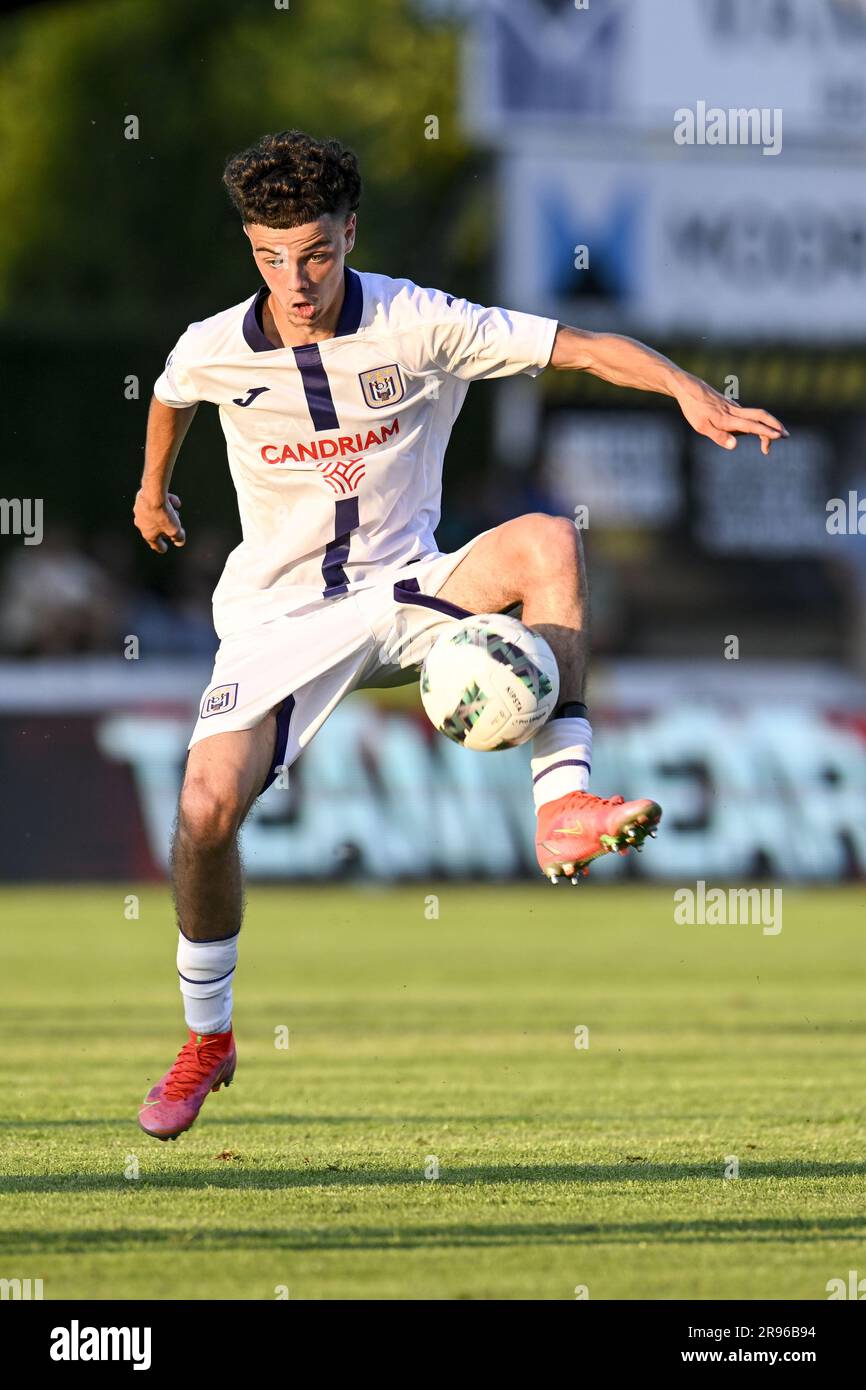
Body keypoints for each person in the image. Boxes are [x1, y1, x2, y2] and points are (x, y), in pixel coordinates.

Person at [133, 130, 786, 1140]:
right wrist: (150, 488)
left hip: (409, 586)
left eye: (313, 252)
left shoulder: (418, 320)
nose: (294, 281)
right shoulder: (213, 345)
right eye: (269, 256)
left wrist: (691, 391)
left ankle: (562, 803)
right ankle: (207, 1035)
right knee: (205, 810)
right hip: (276, 616)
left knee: (541, 539)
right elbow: (171, 398)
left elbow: (578, 346)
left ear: (349, 231)